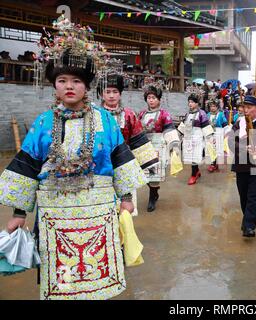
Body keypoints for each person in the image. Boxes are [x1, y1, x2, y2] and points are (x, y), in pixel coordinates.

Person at [0, 16, 146, 300]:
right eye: (62, 80)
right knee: (63, 280)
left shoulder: (105, 120)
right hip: (56, 212)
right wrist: (19, 214)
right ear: (54, 85)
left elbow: (120, 158)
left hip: (99, 210)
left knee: (96, 272)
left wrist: (126, 197)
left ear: (87, 86)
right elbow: (27, 167)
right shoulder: (43, 123)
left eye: (76, 80)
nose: (69, 86)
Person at [97, 58, 159, 215]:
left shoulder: (129, 114)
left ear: (120, 93)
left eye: (115, 92)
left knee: (125, 208)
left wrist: (149, 164)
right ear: (101, 93)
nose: (111, 96)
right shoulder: (93, 115)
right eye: (107, 92)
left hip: (123, 162)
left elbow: (137, 139)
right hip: (99, 165)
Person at [228, 95, 256, 237]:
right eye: (244, 107)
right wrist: (243, 148)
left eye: (249, 107)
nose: (246, 110)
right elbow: (231, 141)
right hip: (242, 165)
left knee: (254, 196)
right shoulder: (239, 123)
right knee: (244, 195)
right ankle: (247, 219)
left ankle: (249, 226)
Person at [139, 81, 180, 212]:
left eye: (154, 98)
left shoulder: (164, 114)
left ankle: (152, 197)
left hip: (159, 146)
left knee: (155, 174)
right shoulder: (141, 114)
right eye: (149, 98)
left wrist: (173, 146)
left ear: (159, 100)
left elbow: (168, 130)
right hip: (144, 146)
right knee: (144, 173)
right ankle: (154, 191)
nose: (151, 101)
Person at [177, 89, 214, 185]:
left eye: (192, 102)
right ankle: (196, 171)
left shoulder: (201, 114)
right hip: (188, 138)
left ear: (197, 103)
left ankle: (193, 175)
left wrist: (210, 138)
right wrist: (178, 135)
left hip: (197, 137)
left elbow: (206, 126)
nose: (190, 104)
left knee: (195, 156)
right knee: (190, 156)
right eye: (189, 102)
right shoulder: (187, 114)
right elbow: (183, 125)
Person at [206, 97, 227, 172]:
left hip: (218, 133)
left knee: (216, 149)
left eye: (214, 106)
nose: (212, 108)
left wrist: (225, 134)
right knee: (210, 149)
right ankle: (214, 163)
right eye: (211, 106)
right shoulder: (207, 115)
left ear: (217, 107)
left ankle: (214, 164)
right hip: (209, 134)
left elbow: (225, 125)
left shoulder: (221, 115)